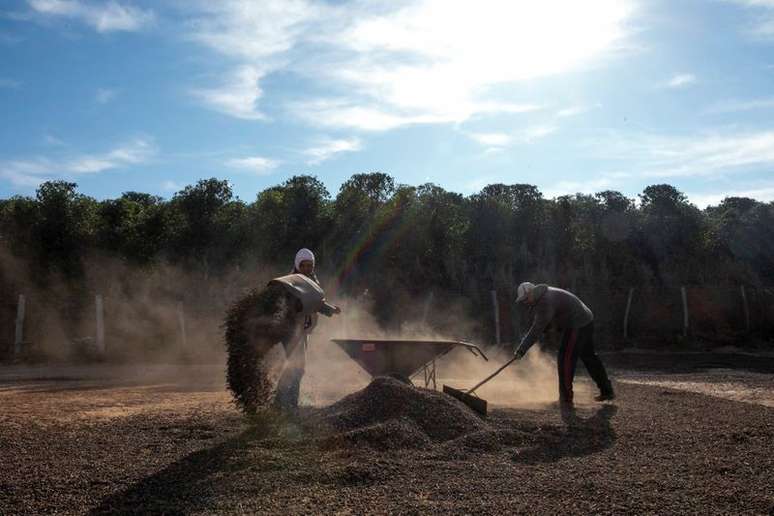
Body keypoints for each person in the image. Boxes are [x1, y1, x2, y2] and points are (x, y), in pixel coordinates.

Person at [514, 282, 614, 405]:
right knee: (589, 357)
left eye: (525, 299)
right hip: (586, 319)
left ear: (530, 293)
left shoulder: (545, 301)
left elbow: (536, 330)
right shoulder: (543, 295)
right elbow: (548, 322)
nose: (525, 302)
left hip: (577, 324)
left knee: (565, 359)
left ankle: (566, 399)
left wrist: (521, 350)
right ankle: (607, 390)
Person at [274, 248, 340, 412]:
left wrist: (331, 310)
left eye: (310, 265)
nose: (307, 268)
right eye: (303, 265)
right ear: (297, 265)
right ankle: (289, 404)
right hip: (291, 330)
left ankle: (280, 403)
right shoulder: (290, 282)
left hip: (302, 331)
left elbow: (317, 303)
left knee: (295, 366)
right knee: (297, 367)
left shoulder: (312, 282)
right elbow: (282, 305)